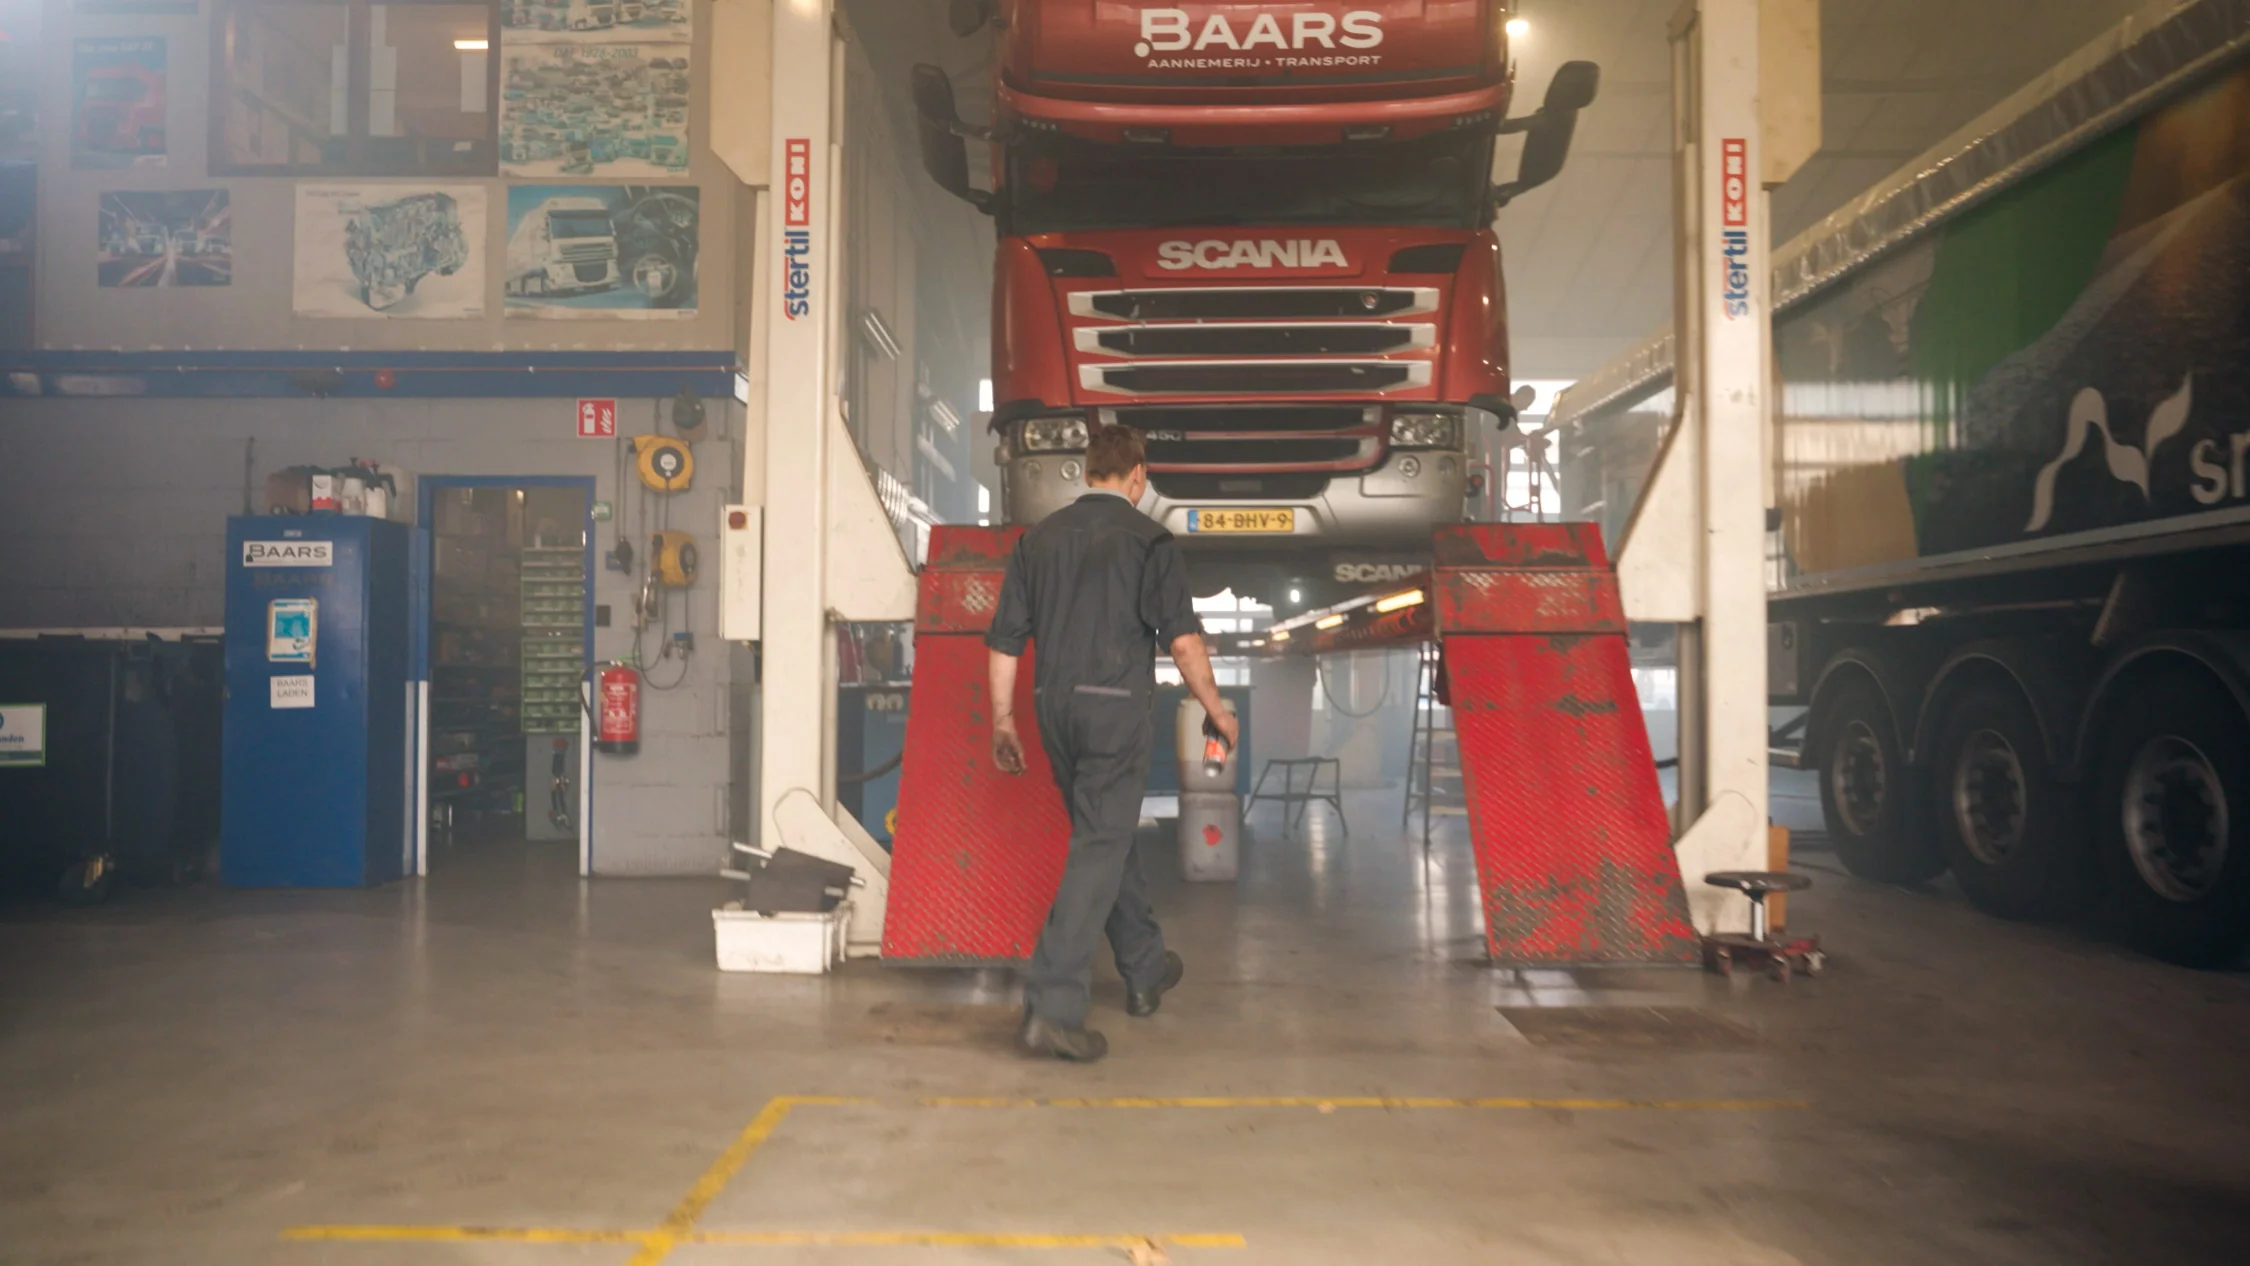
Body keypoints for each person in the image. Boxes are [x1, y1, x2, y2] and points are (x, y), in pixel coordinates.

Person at [985, 424, 1240, 1063]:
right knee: (1098, 848)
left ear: (1086, 472)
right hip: (1115, 711)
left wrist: (1002, 721)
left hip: (1052, 711)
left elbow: (1005, 641)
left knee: (1107, 833)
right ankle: (1052, 1007)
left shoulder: (1037, 541)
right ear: (1138, 477)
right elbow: (1182, 641)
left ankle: (1144, 967)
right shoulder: (1149, 540)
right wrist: (1216, 711)